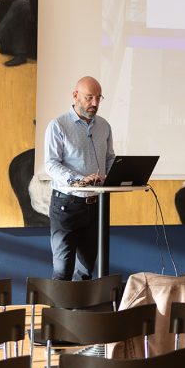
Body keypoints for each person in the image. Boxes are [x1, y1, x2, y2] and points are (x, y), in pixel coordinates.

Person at [44, 76, 114, 280]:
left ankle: (80, 303)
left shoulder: (104, 126)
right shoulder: (58, 125)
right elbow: (51, 164)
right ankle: (59, 304)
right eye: (89, 97)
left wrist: (116, 175)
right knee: (62, 271)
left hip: (95, 206)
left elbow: (109, 158)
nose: (95, 103)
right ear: (75, 95)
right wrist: (78, 179)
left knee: (85, 271)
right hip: (67, 205)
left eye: (99, 98)